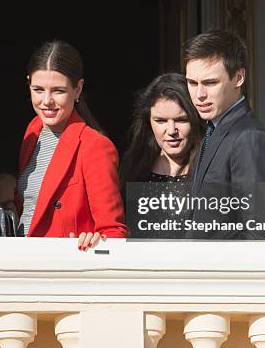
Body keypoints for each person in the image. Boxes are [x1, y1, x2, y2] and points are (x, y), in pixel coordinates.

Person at [16, 40, 128, 250]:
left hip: (64, 270)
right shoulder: (32, 131)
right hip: (24, 260)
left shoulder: (95, 146)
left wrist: (95, 240)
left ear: (78, 90)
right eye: (38, 89)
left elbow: (113, 231)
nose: (46, 100)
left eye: (58, 91)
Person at [183, 30, 265, 239]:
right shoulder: (213, 130)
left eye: (210, 83)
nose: (199, 94)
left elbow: (260, 235)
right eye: (192, 83)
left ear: (238, 77)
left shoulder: (249, 139)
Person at [120, 73, 205, 238]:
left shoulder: (209, 167)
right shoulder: (133, 168)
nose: (171, 131)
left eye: (181, 120)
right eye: (160, 121)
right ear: (148, 121)